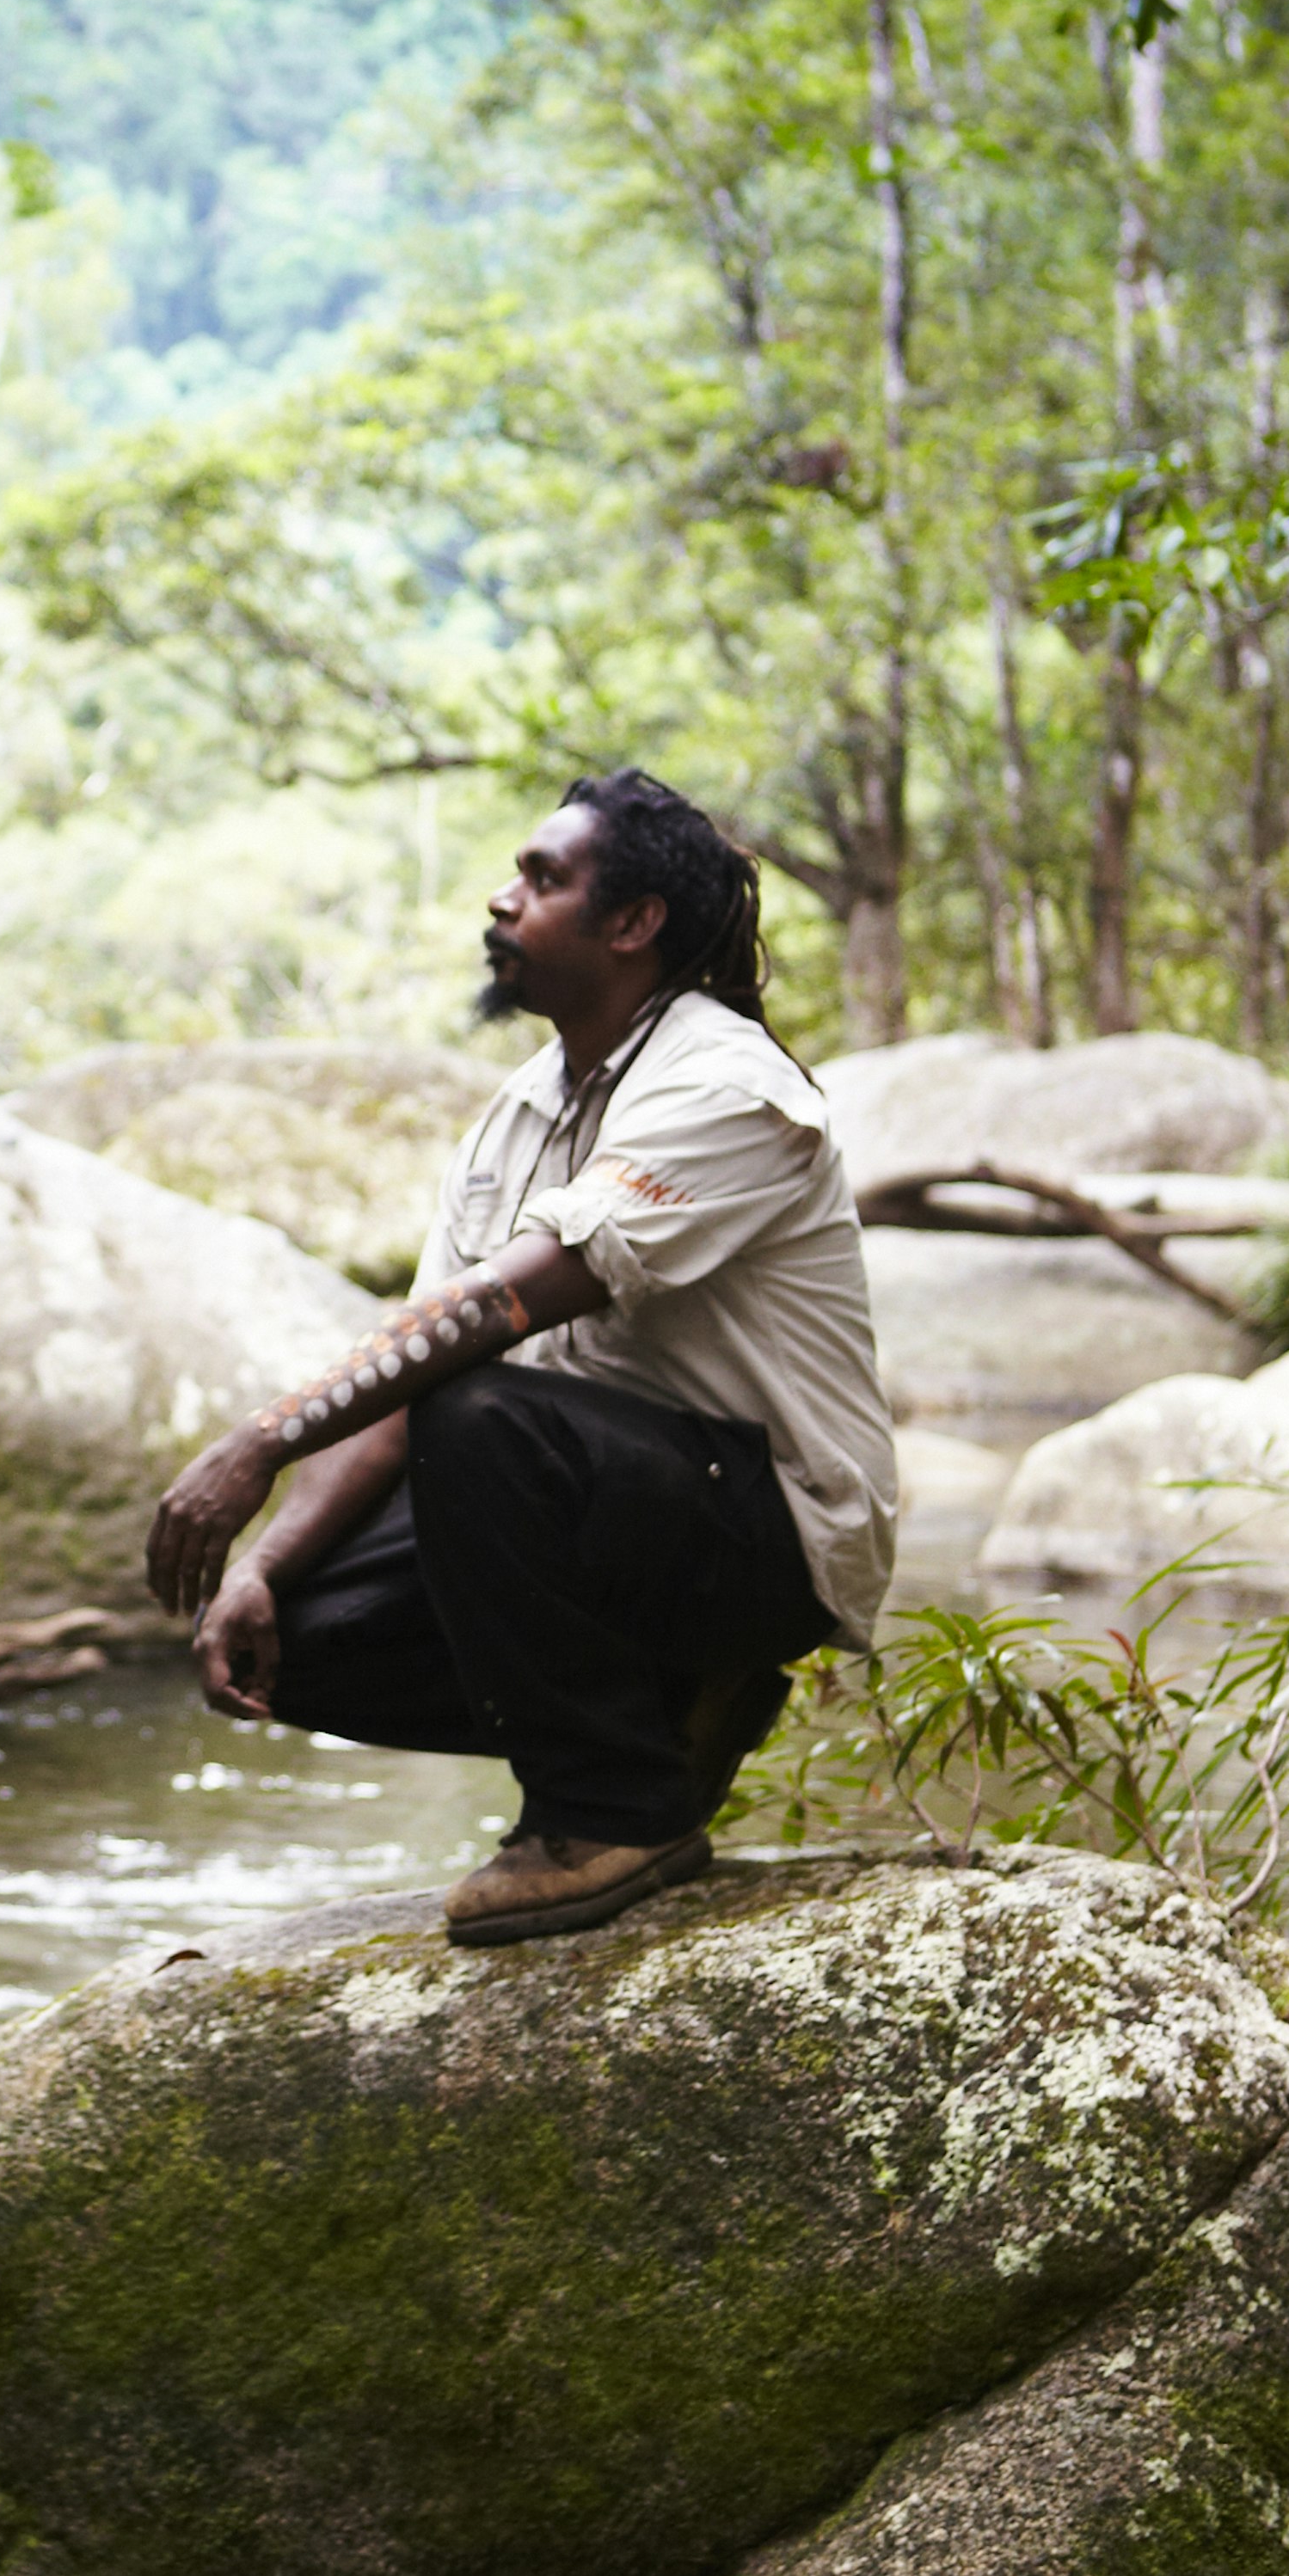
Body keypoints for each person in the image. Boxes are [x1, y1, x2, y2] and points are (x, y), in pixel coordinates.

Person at [144, 766, 899, 1949]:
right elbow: (404, 1395)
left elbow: (498, 1312)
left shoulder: (727, 1083)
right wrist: (267, 1563)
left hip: (766, 1532)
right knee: (296, 1639)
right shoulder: (521, 1111)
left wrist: (258, 1442)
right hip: (606, 1505)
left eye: (543, 878)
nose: (504, 900)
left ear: (633, 924)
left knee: (481, 1413)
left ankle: (610, 1811)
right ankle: (663, 1716)